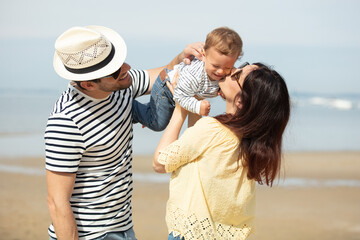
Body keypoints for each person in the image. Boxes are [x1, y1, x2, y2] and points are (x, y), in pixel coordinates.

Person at [45, 25, 203, 240]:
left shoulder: (121, 85)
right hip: (89, 235)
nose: (127, 67)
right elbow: (57, 202)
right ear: (88, 84)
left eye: (120, 61)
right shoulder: (66, 122)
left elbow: (162, 75)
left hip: (124, 227)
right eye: (115, 70)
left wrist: (182, 57)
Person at [153, 62, 291, 240]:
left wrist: (180, 108)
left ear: (241, 100)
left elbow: (159, 163)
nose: (230, 69)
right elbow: (195, 151)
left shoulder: (213, 130)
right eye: (242, 65)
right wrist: (192, 100)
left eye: (237, 74)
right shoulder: (252, 140)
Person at [133, 27, 242, 130]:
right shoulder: (194, 75)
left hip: (183, 92)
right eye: (216, 66)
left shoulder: (224, 73)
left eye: (228, 67)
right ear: (203, 55)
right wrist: (197, 106)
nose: (221, 72)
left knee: (163, 114)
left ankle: (151, 108)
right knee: (158, 123)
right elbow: (180, 95)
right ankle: (133, 108)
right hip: (167, 89)